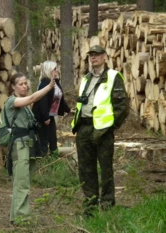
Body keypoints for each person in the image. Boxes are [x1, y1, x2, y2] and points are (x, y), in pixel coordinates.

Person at [71, 45, 129, 216]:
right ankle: (90, 203)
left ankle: (108, 204)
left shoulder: (113, 77)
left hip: (103, 130)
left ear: (105, 57)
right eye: (91, 55)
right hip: (84, 128)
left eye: (96, 55)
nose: (93, 58)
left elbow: (122, 107)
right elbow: (82, 103)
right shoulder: (86, 79)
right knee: (86, 168)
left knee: (105, 169)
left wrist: (110, 126)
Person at [5, 72, 55, 224]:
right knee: (22, 182)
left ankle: (16, 216)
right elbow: (33, 98)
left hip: (28, 144)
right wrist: (49, 86)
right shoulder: (12, 101)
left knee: (23, 181)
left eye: (26, 83)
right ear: (13, 87)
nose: (25, 86)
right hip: (19, 146)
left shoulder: (25, 106)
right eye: (21, 84)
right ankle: (22, 218)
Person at [32, 61, 71, 157]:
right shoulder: (45, 83)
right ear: (48, 70)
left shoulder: (55, 82)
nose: (57, 70)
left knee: (53, 139)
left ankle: (54, 158)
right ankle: (42, 162)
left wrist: (69, 110)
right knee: (43, 140)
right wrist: (45, 118)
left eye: (57, 68)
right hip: (41, 117)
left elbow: (60, 99)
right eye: (54, 69)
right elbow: (42, 102)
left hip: (50, 116)